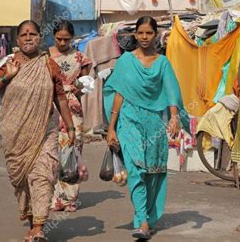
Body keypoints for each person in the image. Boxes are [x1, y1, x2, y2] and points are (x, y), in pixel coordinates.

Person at [0, 20, 75, 242]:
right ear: (17, 40)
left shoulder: (48, 64)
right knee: (23, 179)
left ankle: (39, 226)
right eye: (24, 34)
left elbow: (60, 96)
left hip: (46, 129)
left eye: (33, 34)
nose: (28, 38)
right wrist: (9, 76)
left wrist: (70, 126)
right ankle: (33, 217)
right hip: (15, 133)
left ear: (39, 38)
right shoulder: (11, 63)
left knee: (42, 174)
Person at [103, 16, 190, 240]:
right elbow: (118, 94)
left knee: (152, 173)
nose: (143, 37)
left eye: (148, 33)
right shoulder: (125, 62)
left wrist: (174, 117)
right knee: (136, 169)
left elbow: (172, 92)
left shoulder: (162, 63)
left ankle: (149, 218)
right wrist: (111, 128)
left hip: (153, 124)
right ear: (135, 34)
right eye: (140, 33)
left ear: (155, 34)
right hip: (129, 119)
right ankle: (141, 221)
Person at [49, 20, 92, 212]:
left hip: (73, 109)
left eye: (66, 39)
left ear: (72, 38)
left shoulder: (81, 58)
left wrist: (76, 90)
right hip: (50, 107)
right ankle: (50, 196)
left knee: (72, 150)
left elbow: (86, 84)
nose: (63, 43)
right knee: (51, 151)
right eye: (59, 39)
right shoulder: (45, 57)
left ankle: (69, 198)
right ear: (53, 37)